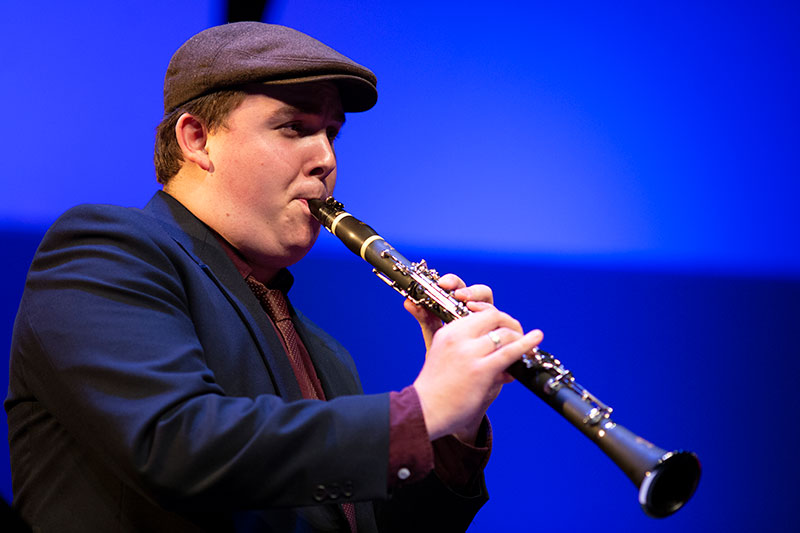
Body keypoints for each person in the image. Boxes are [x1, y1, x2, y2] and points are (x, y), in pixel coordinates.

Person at [5, 22, 543, 532]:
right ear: (197, 140)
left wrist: (454, 423)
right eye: (294, 128)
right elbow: (178, 446)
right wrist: (420, 410)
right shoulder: (107, 249)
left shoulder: (326, 354)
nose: (325, 159)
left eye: (332, 134)